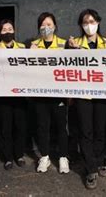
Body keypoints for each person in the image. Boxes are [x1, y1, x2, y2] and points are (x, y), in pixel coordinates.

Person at [67, 9, 106, 189]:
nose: (89, 25)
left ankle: (99, 160)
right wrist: (70, 50)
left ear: (98, 22)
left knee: (101, 130)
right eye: (85, 22)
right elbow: (67, 70)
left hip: (103, 94)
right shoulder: (74, 43)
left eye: (92, 21)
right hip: (83, 94)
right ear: (81, 25)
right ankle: (90, 169)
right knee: (86, 131)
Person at [30, 12, 70, 174]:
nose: (46, 27)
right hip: (40, 94)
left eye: (49, 24)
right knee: (42, 127)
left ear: (55, 26)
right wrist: (28, 53)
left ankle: (63, 157)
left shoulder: (63, 44)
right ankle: (44, 157)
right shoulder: (33, 45)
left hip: (59, 94)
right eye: (43, 24)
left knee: (61, 126)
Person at [0, 19, 27, 170]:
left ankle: (19, 155)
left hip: (20, 95)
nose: (7, 32)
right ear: (0, 33)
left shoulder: (22, 48)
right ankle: (8, 158)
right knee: (5, 128)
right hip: (3, 95)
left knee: (20, 126)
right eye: (4, 30)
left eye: (10, 29)